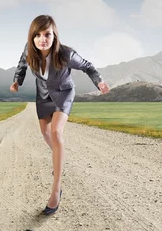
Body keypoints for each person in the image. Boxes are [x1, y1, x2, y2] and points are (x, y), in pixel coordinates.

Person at [10, 14, 110, 215]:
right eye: (37, 35)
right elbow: (22, 64)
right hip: (43, 95)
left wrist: (99, 82)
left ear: (54, 35)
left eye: (47, 34)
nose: (42, 39)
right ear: (32, 37)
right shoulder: (29, 49)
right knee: (46, 134)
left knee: (56, 133)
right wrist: (17, 82)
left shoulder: (67, 54)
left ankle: (56, 188)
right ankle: (59, 157)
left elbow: (88, 67)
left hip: (64, 92)